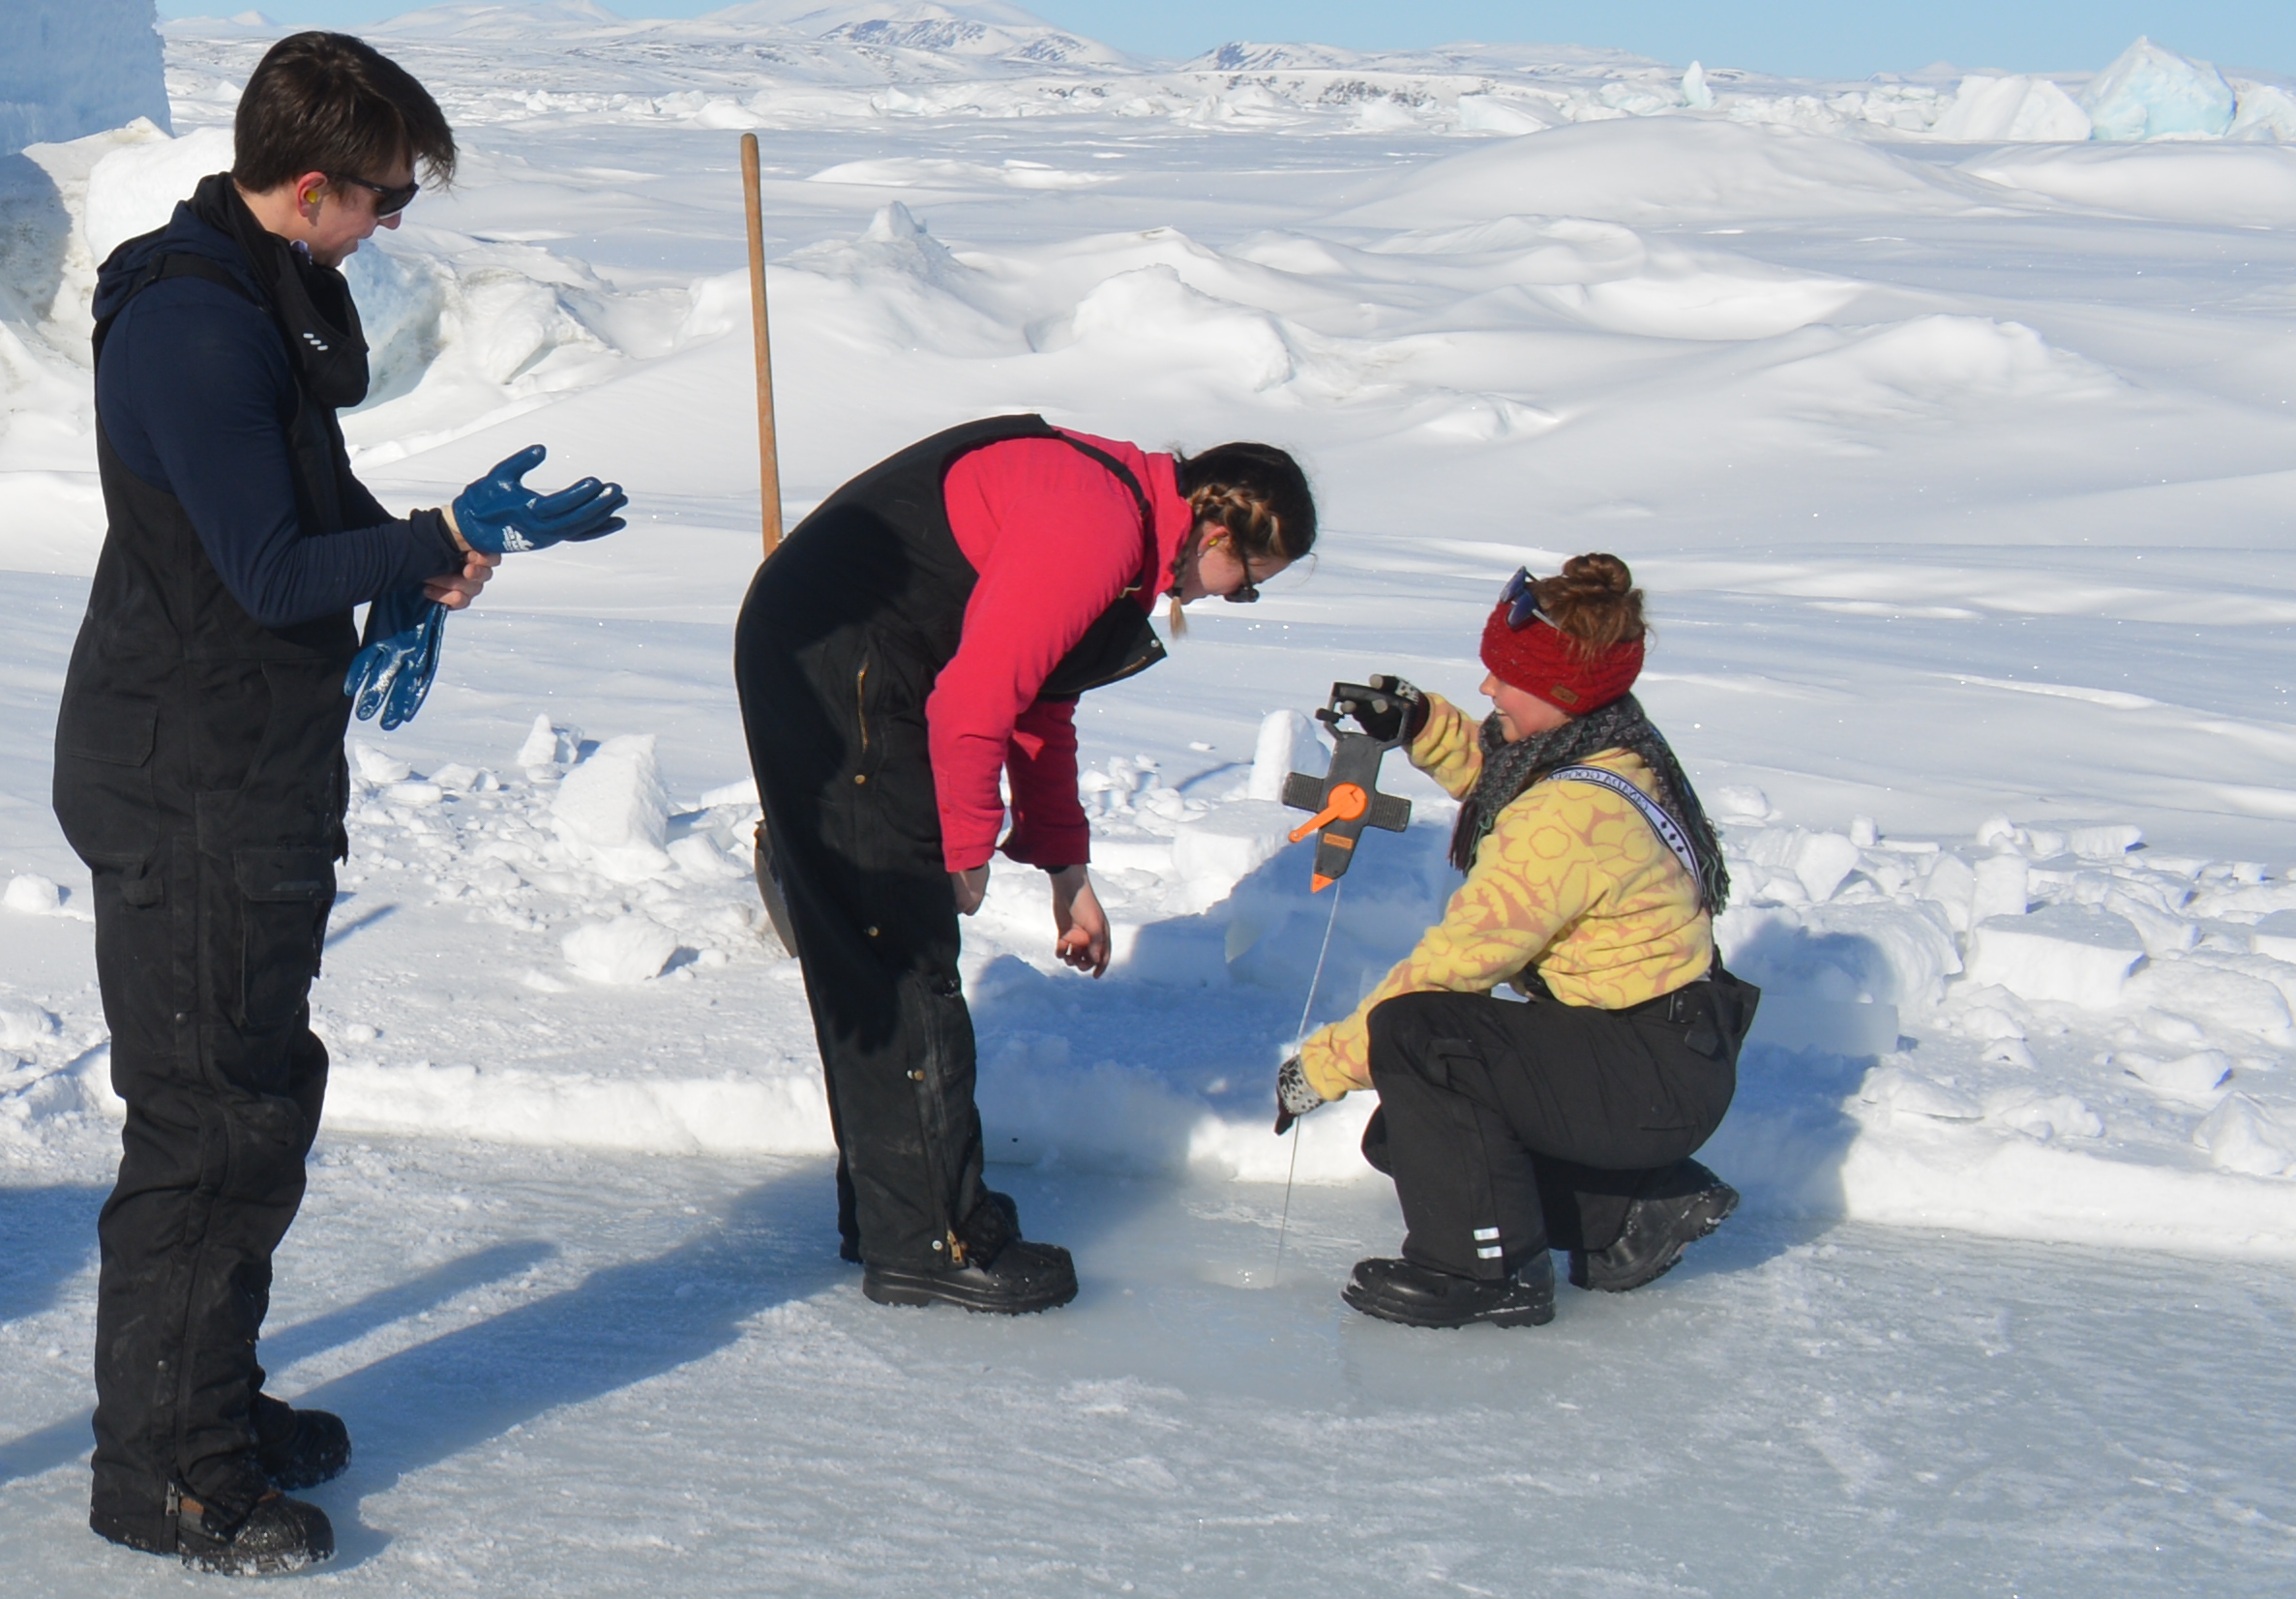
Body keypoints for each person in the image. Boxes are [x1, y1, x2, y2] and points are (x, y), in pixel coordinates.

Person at [53, 31, 628, 1576]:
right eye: (380, 200)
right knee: (209, 1121)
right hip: (188, 771)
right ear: (309, 186)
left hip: (243, 754)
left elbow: (303, 518)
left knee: (257, 1090)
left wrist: (420, 561)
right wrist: (423, 533)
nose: (386, 228)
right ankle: (168, 1469)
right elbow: (264, 570)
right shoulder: (194, 329)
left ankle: (207, 1394)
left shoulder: (254, 297)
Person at [737, 415, 1316, 1314]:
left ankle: (902, 1214)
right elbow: (975, 700)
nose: (1225, 601)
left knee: (884, 944)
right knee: (899, 946)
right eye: (1243, 586)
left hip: (842, 657)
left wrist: (1067, 874)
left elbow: (1041, 707)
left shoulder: (1121, 526)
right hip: (835, 665)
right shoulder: (1098, 524)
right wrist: (962, 853)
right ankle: (931, 1241)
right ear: (1214, 534)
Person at [1280, 556, 1751, 1328]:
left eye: (1504, 677)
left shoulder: (1564, 819)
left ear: (1561, 693)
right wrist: (1419, 726)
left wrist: (1320, 1066)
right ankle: (1629, 1212)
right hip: (1671, 1051)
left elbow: (1453, 967)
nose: (1488, 690)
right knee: (1412, 1136)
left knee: (1418, 1033)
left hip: (1650, 1072)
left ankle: (1485, 1272)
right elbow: (1510, 777)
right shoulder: (1611, 741)